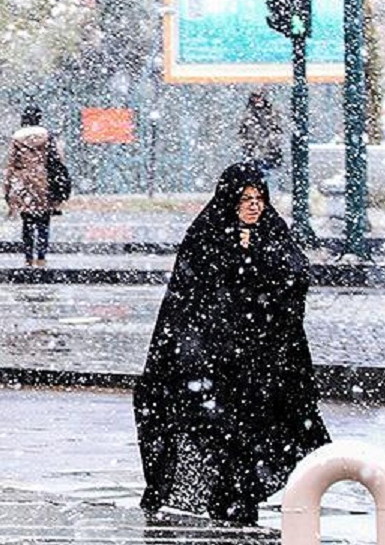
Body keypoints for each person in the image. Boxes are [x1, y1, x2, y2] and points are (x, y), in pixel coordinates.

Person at [133, 162, 330, 526]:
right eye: (245, 199)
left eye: (259, 198)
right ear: (230, 201)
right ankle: (228, 503)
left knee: (260, 435)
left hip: (262, 363)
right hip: (218, 363)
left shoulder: (273, 232)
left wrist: (256, 257)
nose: (254, 206)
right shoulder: (207, 235)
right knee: (223, 439)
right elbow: (192, 298)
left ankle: (241, 501)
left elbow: (294, 279)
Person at [2, 105, 62, 267]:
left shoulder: (17, 139)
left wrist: (7, 190)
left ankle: (28, 258)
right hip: (44, 181)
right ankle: (41, 257)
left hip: (24, 183)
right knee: (44, 221)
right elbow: (57, 162)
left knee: (27, 221)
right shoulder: (47, 137)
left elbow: (11, 165)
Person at [238, 90, 285, 178]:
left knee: (268, 177)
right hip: (254, 153)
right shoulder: (247, 114)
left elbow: (278, 130)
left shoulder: (271, 113)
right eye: (255, 97)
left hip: (269, 153)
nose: (258, 100)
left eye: (260, 97)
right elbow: (242, 133)